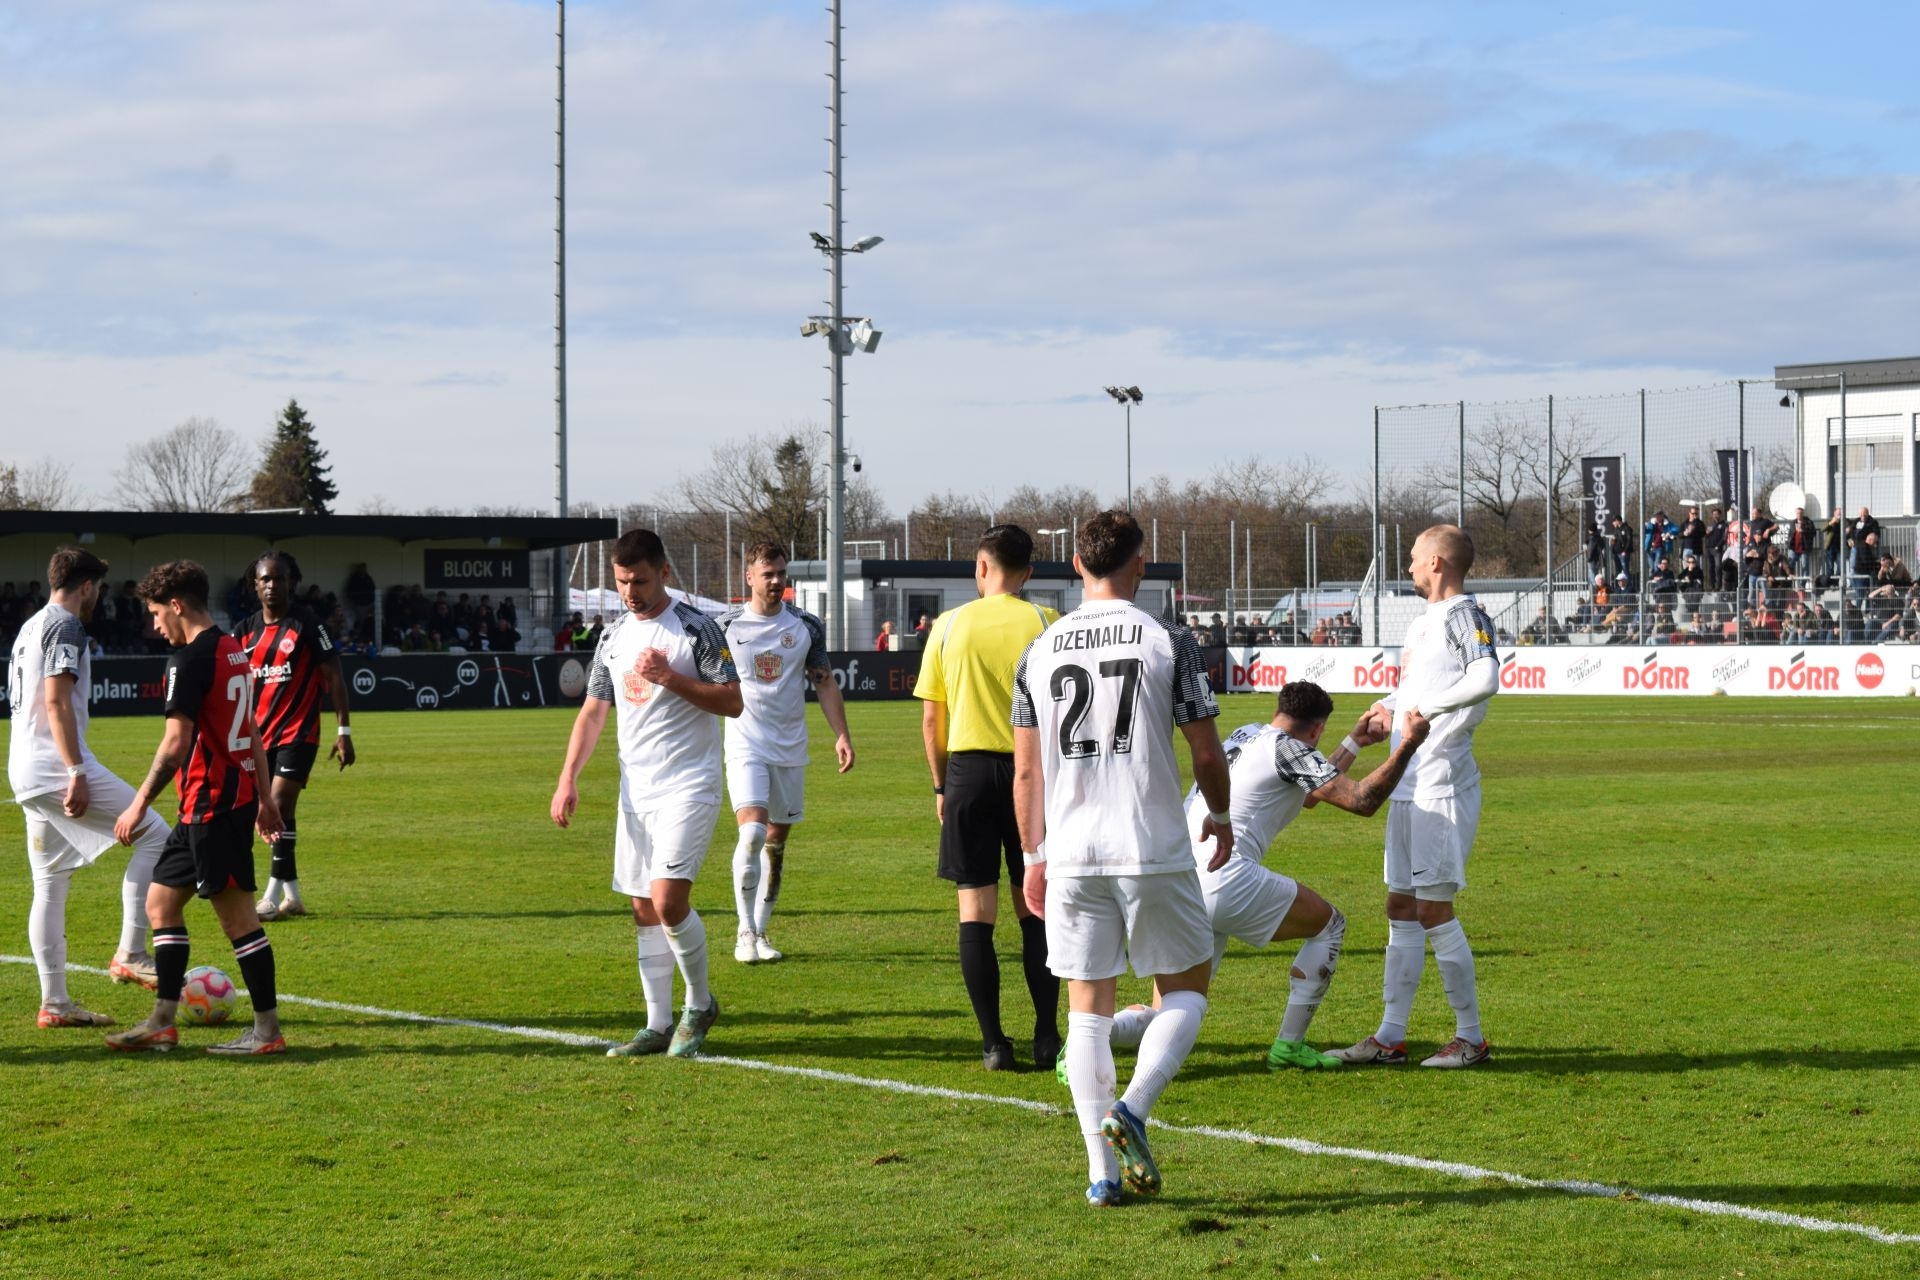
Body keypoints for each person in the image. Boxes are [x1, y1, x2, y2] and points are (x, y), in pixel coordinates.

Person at [1011, 510, 1229, 1206]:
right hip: (1151, 841)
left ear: (1077, 566)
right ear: (1140, 565)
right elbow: (1203, 747)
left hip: (1071, 850)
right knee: (1188, 988)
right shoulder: (1167, 637)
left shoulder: (1040, 650)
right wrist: (1220, 816)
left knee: (1087, 1013)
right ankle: (1132, 1107)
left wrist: (1032, 854)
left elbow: (1025, 774)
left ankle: (1099, 1175)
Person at [1098, 681, 1430, 1077]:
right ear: (1316, 729)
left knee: (1169, 1010)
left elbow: (1309, 792)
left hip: (1180, 876)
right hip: (1226, 874)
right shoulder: (1291, 750)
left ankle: (1091, 1036)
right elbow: (1361, 800)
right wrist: (1408, 744)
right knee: (1330, 926)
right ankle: (1288, 1047)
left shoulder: (1250, 733)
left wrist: (1355, 741)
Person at [550, 530, 743, 1059]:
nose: (629, 591)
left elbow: (732, 701)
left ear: (664, 573)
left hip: (688, 784)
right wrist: (569, 778)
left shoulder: (696, 629)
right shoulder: (613, 636)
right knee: (642, 908)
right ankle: (657, 1025)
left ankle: (699, 1005)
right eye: (620, 582)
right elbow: (592, 712)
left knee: (667, 900)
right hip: (635, 793)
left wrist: (670, 677)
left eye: (638, 580)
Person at [1332, 524, 1499, 1070]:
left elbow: (1486, 677)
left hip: (1442, 782)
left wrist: (1428, 712)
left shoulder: (1465, 615)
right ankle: (1389, 1037)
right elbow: (1416, 691)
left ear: (1436, 562)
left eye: (1412, 559)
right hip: (1407, 782)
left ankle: (1470, 1038)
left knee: (1433, 908)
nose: (1406, 568)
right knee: (1400, 906)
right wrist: (1388, 708)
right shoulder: (1425, 622)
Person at [105, 560, 287, 1055]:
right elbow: (250, 732)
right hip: (203, 809)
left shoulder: (186, 662)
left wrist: (139, 803)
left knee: (239, 922)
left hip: (215, 808)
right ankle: (162, 1020)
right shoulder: (233, 649)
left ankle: (267, 1032)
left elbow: (174, 744)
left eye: (157, 612)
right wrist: (267, 798)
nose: (154, 623)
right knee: (160, 904)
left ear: (178, 605)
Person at [915, 524, 1060, 1071]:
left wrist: (940, 785)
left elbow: (933, 720)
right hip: (1033, 775)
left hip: (968, 775)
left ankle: (994, 1043)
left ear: (980, 567)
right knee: (1035, 908)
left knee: (975, 913)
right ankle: (1047, 1034)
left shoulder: (949, 626)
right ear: (1028, 573)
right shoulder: (1047, 622)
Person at [8, 548, 171, 1028]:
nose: (98, 595)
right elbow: (56, 702)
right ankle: (131, 951)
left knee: (50, 884)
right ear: (86, 587)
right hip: (55, 767)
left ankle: (55, 1004)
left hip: (24, 768)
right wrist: (76, 770)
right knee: (156, 834)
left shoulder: (28, 627)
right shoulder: (67, 625)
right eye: (97, 587)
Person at [718, 542, 855, 964]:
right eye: (768, 574)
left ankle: (760, 932)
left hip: (790, 746)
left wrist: (842, 735)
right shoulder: (724, 626)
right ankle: (743, 932)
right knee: (752, 832)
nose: (777, 581)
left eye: (781, 573)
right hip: (745, 743)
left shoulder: (805, 626)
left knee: (775, 846)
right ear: (749, 578)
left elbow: (824, 681)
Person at [235, 552, 355, 922]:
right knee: (284, 814)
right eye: (266, 579)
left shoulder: (307, 625)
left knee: (276, 806)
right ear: (255, 585)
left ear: (292, 582)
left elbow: (333, 674)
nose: (273, 585)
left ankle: (269, 897)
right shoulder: (244, 631)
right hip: (259, 739)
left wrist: (344, 730)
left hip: (298, 734)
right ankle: (294, 895)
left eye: (279, 579)